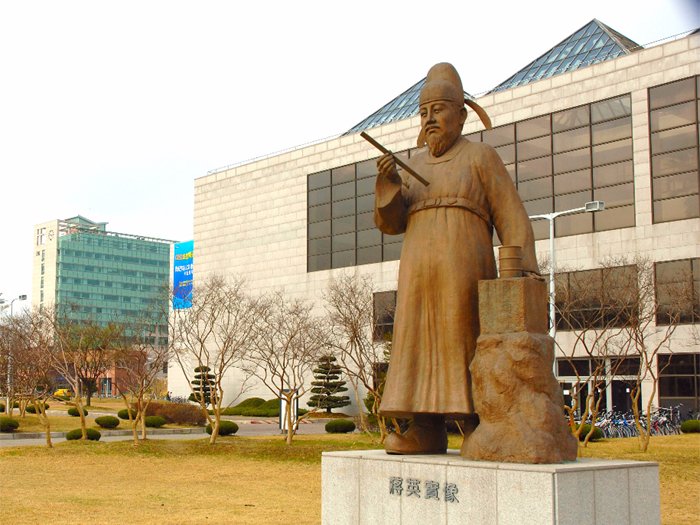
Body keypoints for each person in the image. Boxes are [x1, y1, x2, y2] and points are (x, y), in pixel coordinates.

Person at [374, 63, 539, 454]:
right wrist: (389, 184)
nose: (430, 119)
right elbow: (392, 223)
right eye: (424, 112)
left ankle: (479, 424)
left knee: (464, 337)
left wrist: (523, 269)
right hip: (418, 272)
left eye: (439, 109)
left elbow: (510, 214)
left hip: (464, 266)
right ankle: (425, 427)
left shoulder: (481, 157)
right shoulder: (413, 165)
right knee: (416, 343)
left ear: (462, 115)